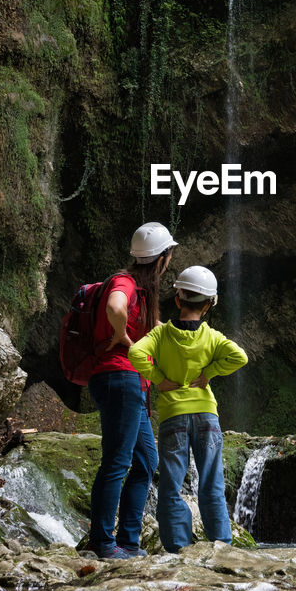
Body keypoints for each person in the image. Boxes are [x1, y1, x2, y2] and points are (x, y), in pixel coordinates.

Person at [129, 265, 248, 553]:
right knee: (211, 482)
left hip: (173, 418)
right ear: (208, 305)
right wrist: (210, 373)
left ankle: (178, 549)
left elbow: (134, 353)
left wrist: (159, 379)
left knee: (171, 486)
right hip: (207, 414)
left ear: (178, 300)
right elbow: (240, 357)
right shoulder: (212, 337)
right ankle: (222, 545)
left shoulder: (161, 336)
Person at [86, 221, 177, 560]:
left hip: (129, 382)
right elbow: (114, 308)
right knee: (117, 462)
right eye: (169, 255)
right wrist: (124, 339)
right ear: (162, 257)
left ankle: (128, 542)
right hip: (119, 379)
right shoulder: (125, 283)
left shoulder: (141, 291)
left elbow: (159, 331)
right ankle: (104, 544)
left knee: (145, 461)